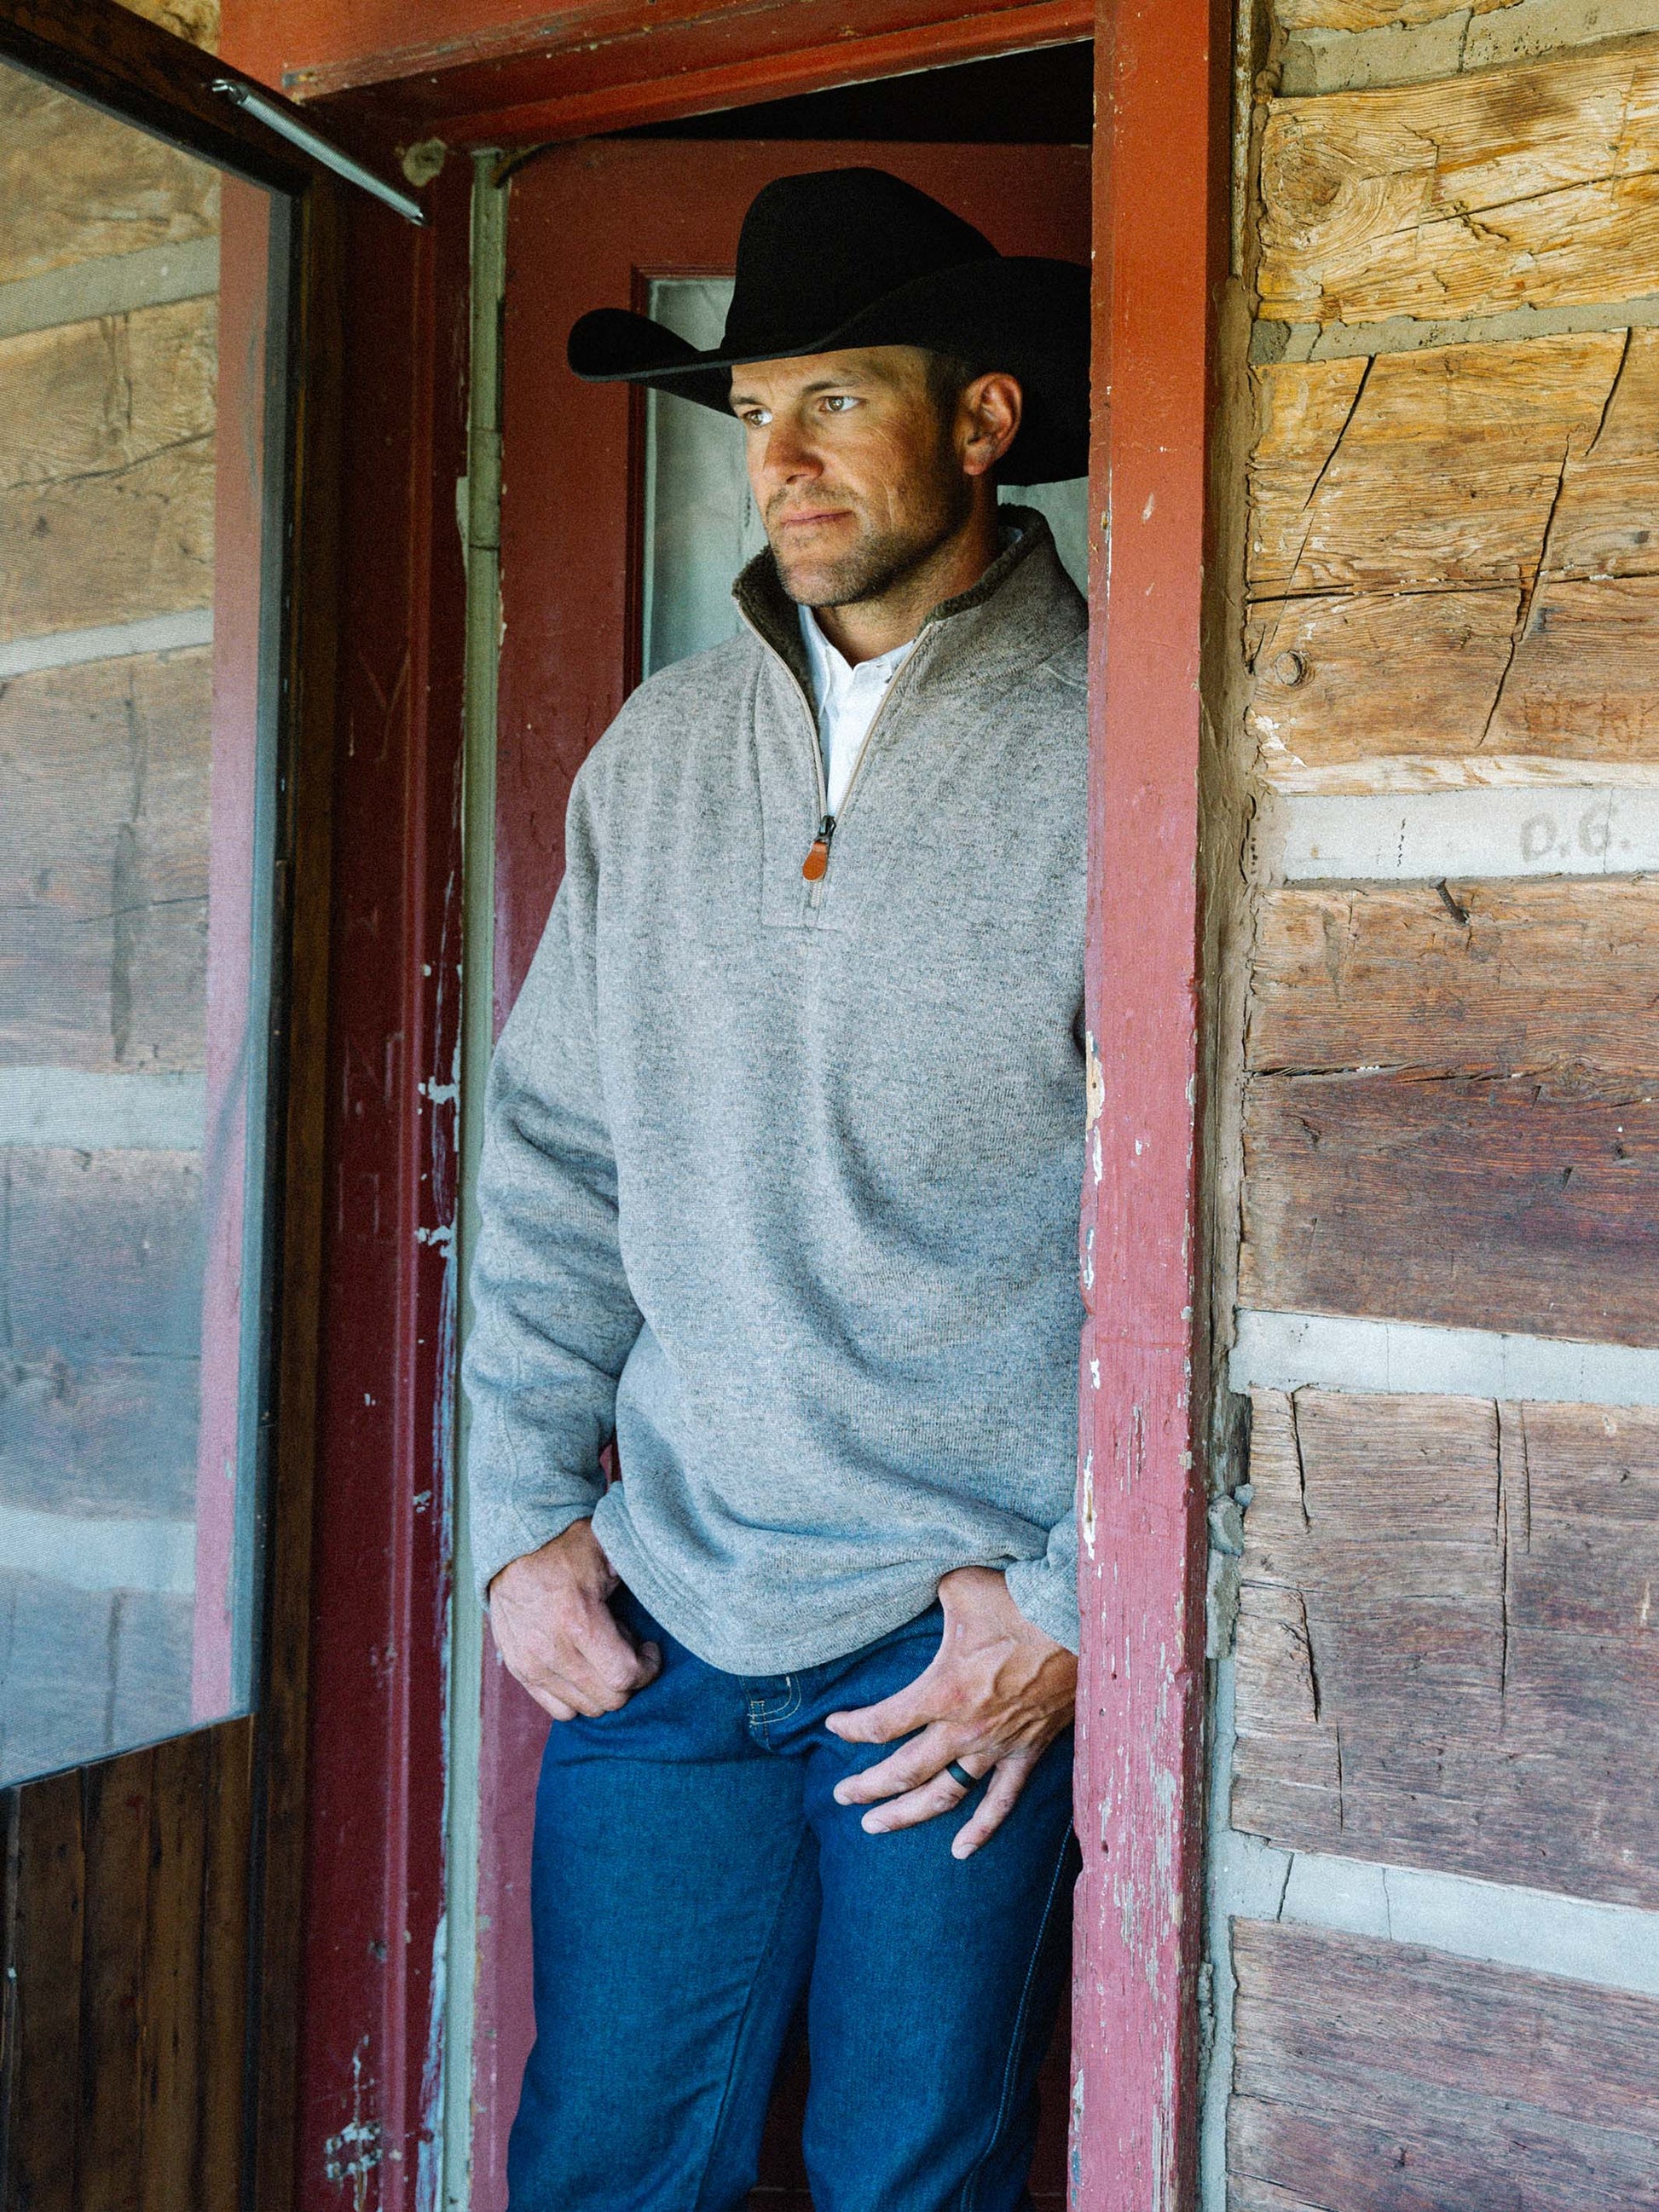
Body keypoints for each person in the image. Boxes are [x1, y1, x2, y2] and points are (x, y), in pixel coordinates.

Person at [463, 165, 1091, 2212]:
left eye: (834, 399)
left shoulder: (1126, 748)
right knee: (599, 2165)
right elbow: (558, 1153)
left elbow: (1218, 1231)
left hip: (954, 1637)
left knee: (909, 2175)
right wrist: (520, 1522)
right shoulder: (659, 751)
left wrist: (1071, 1596)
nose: (780, 461)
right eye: (751, 412)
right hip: (666, 1611)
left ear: (981, 421)